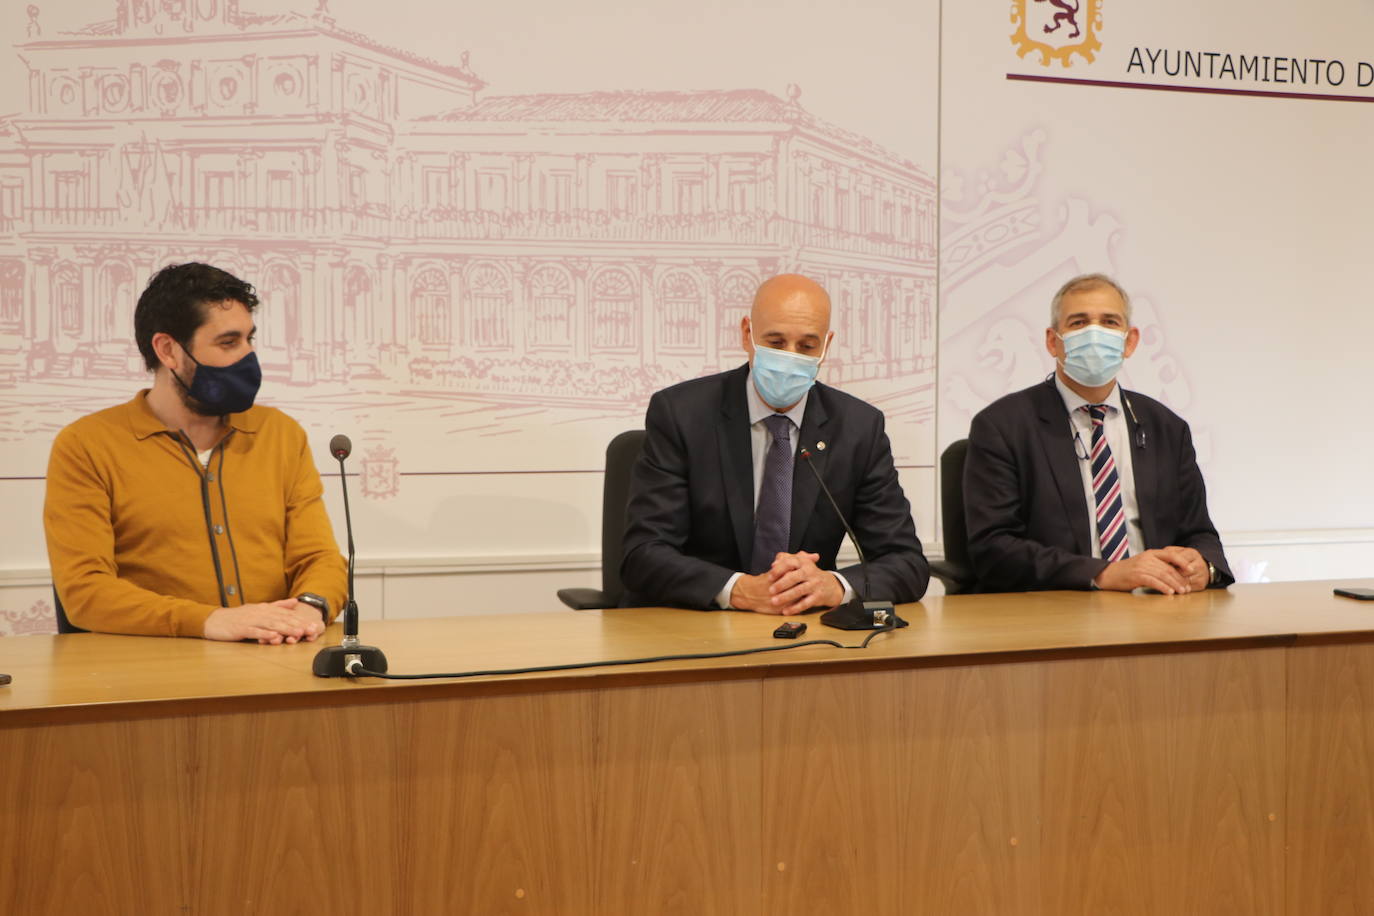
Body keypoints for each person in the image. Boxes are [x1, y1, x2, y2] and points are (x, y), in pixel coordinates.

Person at [43, 263, 346, 642]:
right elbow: (85, 593)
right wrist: (210, 621)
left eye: (250, 339)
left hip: (278, 659)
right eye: (228, 342)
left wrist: (308, 609)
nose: (248, 356)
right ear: (168, 350)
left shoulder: (280, 434)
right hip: (153, 677)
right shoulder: (87, 445)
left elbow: (320, 559)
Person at [620, 274, 929, 613]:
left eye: (807, 346)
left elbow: (906, 563)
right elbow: (643, 555)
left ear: (826, 346)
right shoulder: (681, 414)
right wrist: (737, 590)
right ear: (747, 333)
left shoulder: (857, 428)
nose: (790, 357)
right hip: (694, 626)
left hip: (803, 634)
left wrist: (835, 586)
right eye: (776, 342)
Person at [963, 273, 1233, 593]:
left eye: (1109, 322)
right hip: (1056, 609)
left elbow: (1199, 533)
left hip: (1157, 607)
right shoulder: (1002, 426)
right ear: (1053, 341)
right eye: (1078, 323)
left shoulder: (1166, 428)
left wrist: (1204, 565)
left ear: (1129, 341)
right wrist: (1102, 573)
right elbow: (994, 548)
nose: (1095, 333)